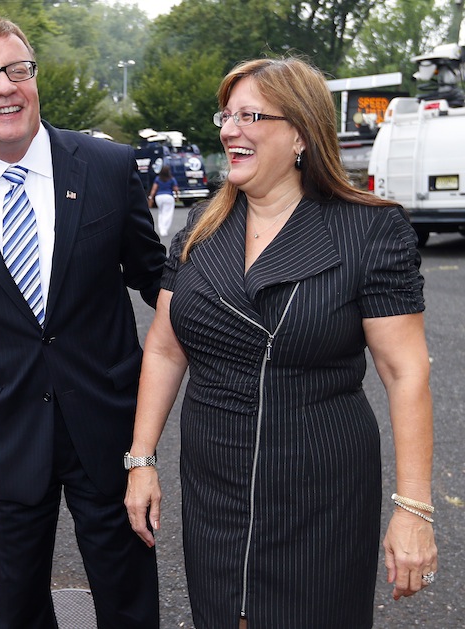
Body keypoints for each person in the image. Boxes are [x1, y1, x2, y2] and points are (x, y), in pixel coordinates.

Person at [125, 57, 437, 629]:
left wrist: (413, 507)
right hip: (213, 482)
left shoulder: (369, 230)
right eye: (226, 115)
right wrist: (141, 460)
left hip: (319, 487)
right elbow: (166, 349)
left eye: (250, 115)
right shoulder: (199, 229)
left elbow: (405, 372)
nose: (228, 129)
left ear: (299, 132)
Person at [0, 16, 165, 629]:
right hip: (9, 427)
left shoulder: (107, 167)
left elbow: (155, 278)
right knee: (19, 599)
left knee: (126, 590)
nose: (4, 86)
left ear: (35, 82)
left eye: (17, 70)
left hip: (107, 423)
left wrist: (223, 331)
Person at [148, 163, 179, 237]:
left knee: (161, 212)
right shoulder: (172, 179)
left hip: (159, 197)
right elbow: (176, 189)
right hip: (168, 197)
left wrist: (151, 197)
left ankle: (161, 228)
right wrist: (177, 196)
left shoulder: (158, 178)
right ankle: (164, 229)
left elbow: (154, 189)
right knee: (168, 213)